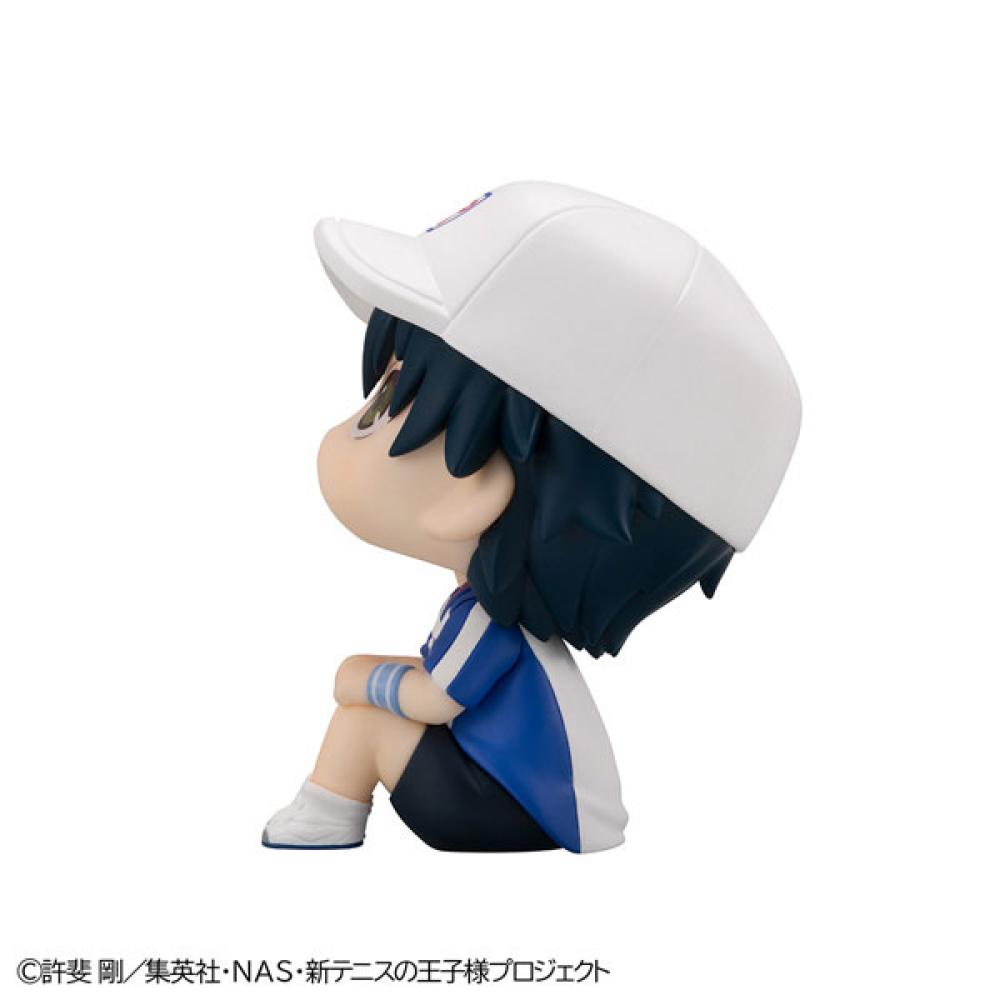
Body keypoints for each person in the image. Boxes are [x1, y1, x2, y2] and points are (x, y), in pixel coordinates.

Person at [261, 182, 801, 853]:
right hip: (511, 791)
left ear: (471, 489)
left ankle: (323, 820)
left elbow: (435, 701)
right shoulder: (484, 611)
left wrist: (359, 675)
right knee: (366, 709)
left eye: (383, 405)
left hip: (508, 806)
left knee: (363, 723)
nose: (348, 427)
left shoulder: (487, 621)